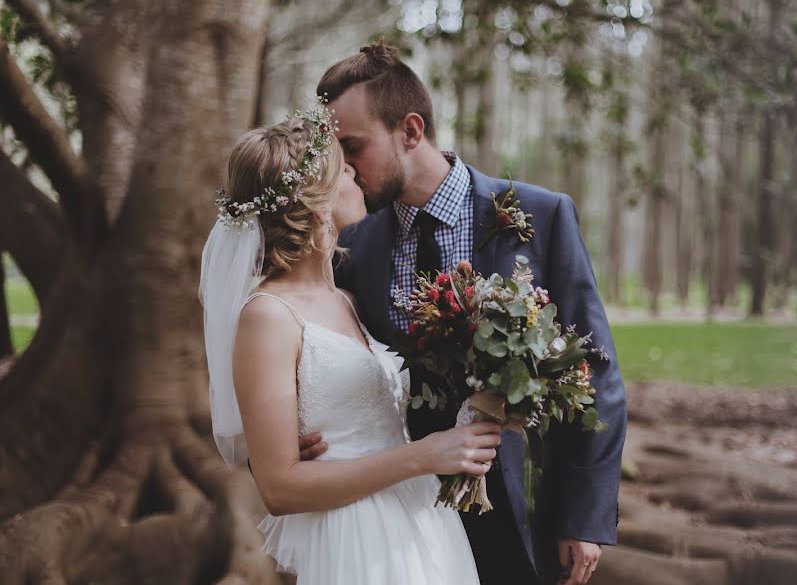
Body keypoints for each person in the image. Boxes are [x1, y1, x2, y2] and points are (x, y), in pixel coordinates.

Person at [302, 44, 628, 585]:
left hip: (526, 511)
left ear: (410, 131)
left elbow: (596, 371)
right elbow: (330, 356)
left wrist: (584, 516)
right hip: (403, 515)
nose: (343, 167)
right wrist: (303, 430)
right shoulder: (354, 247)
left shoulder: (539, 216)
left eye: (351, 147)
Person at [199, 104, 496, 584]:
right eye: (343, 167)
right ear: (314, 201)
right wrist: (425, 455)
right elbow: (278, 488)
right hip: (354, 537)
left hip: (420, 522)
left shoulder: (347, 298)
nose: (355, 171)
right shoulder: (268, 316)